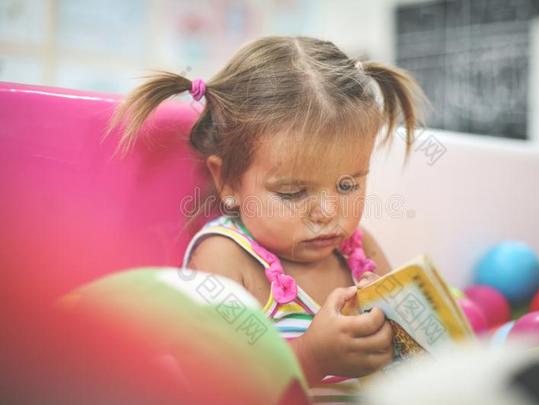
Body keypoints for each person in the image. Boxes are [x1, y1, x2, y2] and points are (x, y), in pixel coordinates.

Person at [109, 36, 425, 402]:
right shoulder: (226, 259)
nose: (327, 213)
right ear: (227, 180)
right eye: (292, 192)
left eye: (347, 184)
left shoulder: (359, 249)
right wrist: (310, 357)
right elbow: (213, 384)